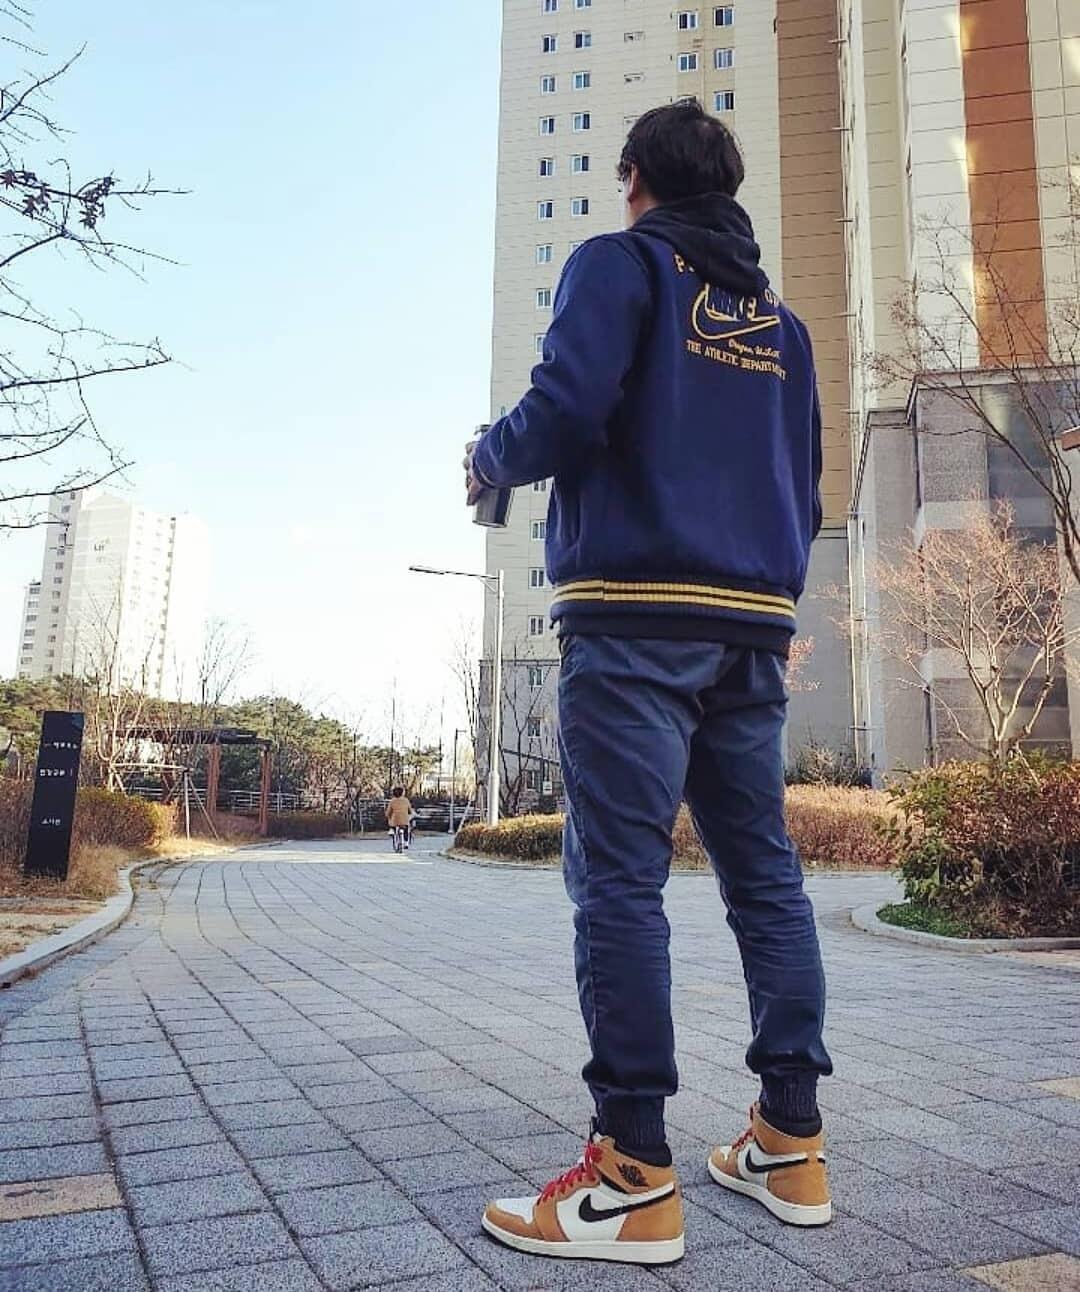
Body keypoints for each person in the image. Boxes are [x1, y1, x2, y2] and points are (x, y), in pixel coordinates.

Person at [466, 99, 832, 1266]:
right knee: (764, 879)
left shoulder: (618, 266)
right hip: (750, 631)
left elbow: (563, 411)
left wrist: (487, 455)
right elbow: (807, 487)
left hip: (632, 619)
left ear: (635, 179)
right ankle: (790, 1136)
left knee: (619, 880)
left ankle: (631, 1169)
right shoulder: (785, 331)